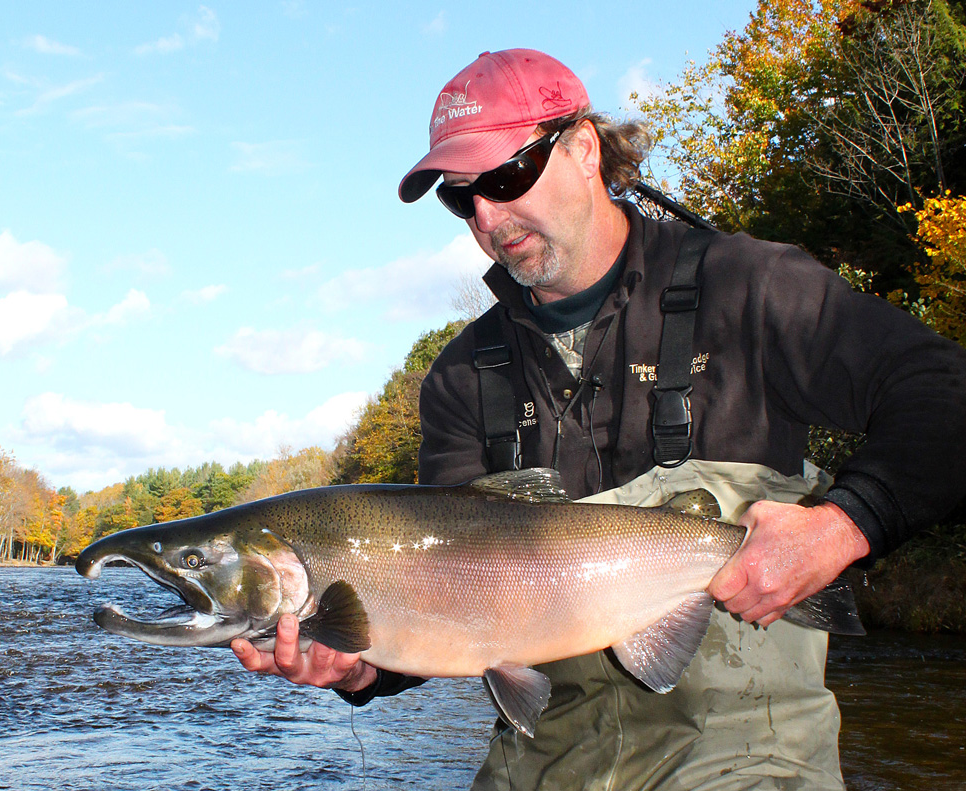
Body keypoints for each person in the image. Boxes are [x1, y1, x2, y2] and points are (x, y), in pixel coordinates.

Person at [232, 49, 966, 789]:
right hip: (547, 760)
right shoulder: (461, 376)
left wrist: (842, 526)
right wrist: (357, 663)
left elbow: (945, 396)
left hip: (744, 757)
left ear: (584, 148)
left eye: (506, 176)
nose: (486, 216)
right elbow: (447, 617)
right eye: (461, 198)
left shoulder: (749, 289)